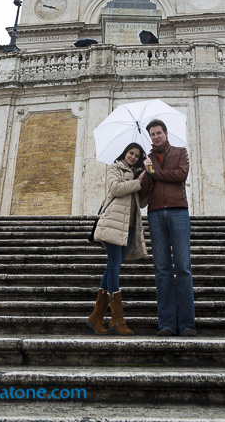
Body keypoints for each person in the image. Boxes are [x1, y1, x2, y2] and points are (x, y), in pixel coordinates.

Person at [139, 119, 197, 337]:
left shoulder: (180, 152)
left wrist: (156, 174)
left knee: (183, 267)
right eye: (152, 134)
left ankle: (187, 324)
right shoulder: (148, 159)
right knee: (162, 270)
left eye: (158, 133)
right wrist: (144, 174)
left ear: (165, 133)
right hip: (154, 213)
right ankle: (166, 323)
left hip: (178, 211)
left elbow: (181, 174)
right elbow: (144, 191)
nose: (155, 137)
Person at [87, 143, 147, 335]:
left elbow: (142, 202)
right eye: (131, 153)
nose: (133, 157)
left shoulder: (138, 173)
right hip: (113, 223)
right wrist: (138, 182)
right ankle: (117, 319)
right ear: (125, 152)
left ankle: (96, 316)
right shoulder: (115, 167)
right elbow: (116, 188)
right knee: (114, 267)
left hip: (128, 227)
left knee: (112, 267)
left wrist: (147, 180)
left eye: (137, 155)